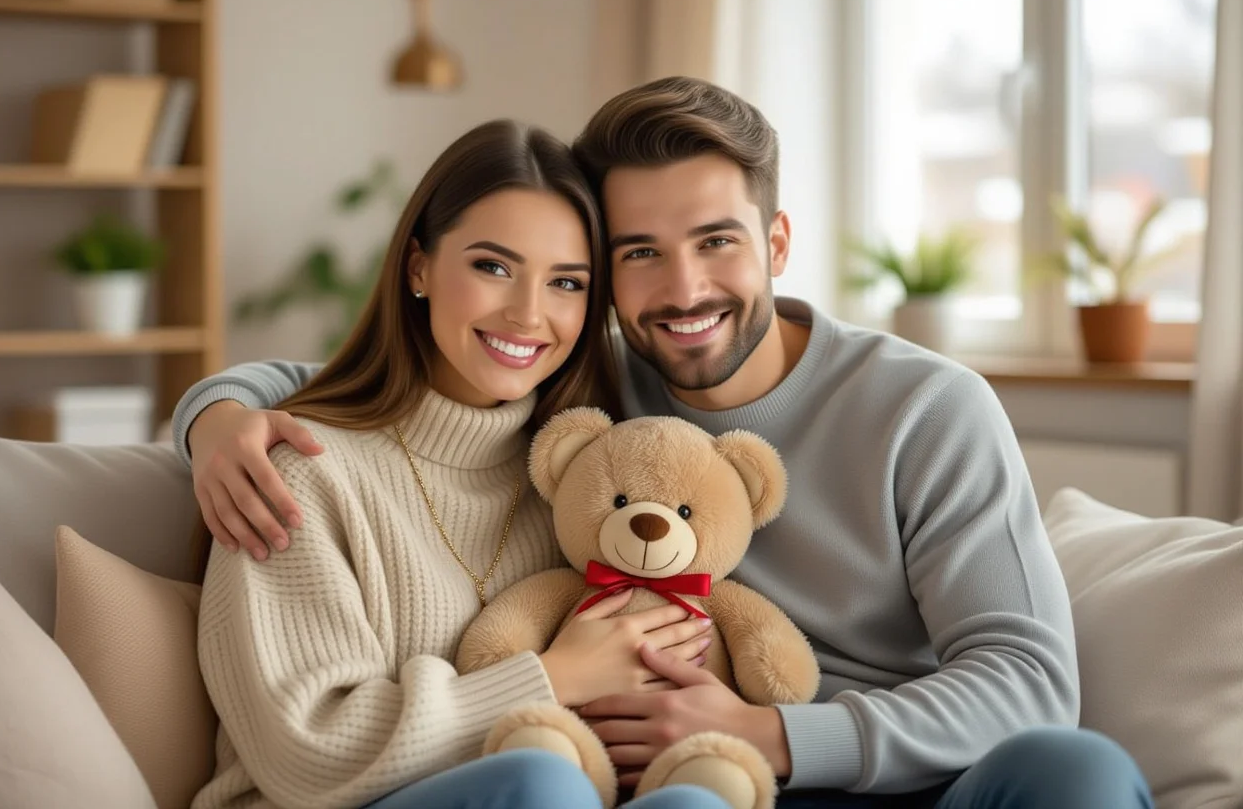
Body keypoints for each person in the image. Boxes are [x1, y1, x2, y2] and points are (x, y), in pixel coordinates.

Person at [176, 80, 1154, 809]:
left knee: (1082, 769)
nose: (683, 289)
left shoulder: (924, 408)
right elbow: (371, 396)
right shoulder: (590, 395)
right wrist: (217, 414)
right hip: (689, 789)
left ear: (774, 243)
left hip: (867, 768)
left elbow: (1029, 683)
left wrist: (774, 732)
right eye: (639, 253)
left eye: (716, 242)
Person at [186, 119, 730, 809]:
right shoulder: (300, 472)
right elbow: (308, 751)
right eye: (493, 267)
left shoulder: (584, 485)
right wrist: (555, 677)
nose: (528, 314)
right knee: (540, 783)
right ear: (419, 267)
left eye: (566, 283)